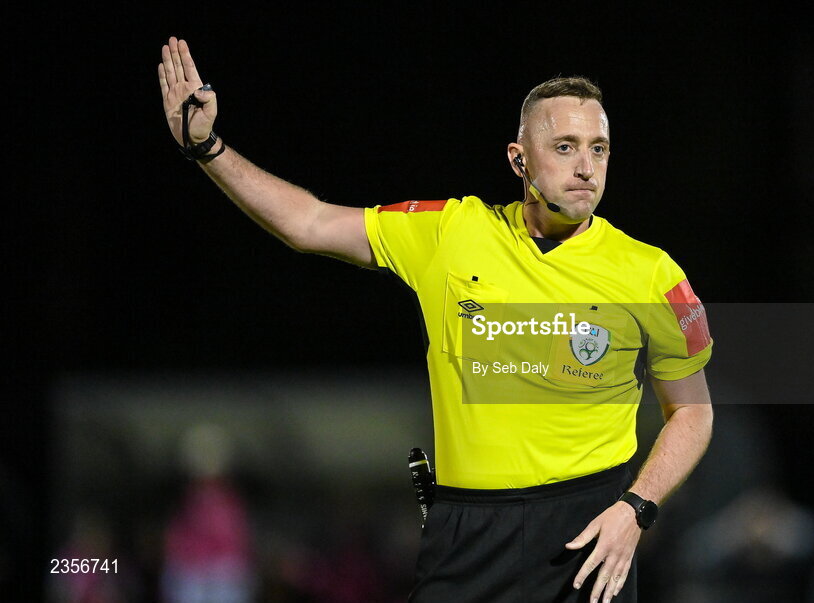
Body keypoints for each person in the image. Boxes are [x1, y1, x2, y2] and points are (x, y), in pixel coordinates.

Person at [158, 36, 714, 603]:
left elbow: (692, 411)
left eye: (598, 149)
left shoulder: (651, 273)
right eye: (565, 146)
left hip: (592, 533)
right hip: (467, 535)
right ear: (519, 159)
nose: (585, 166)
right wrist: (208, 148)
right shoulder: (450, 233)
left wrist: (636, 510)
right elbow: (311, 223)